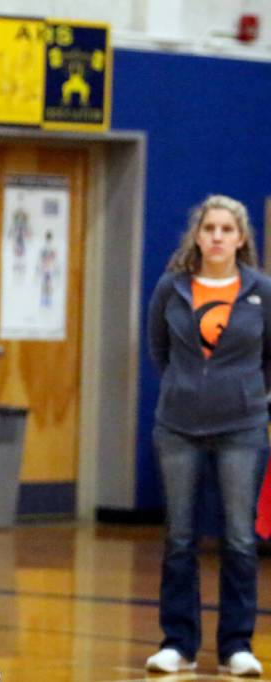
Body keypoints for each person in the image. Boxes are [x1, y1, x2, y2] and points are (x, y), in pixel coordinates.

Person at [145, 195, 271, 677]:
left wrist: (244, 395)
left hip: (242, 429)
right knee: (180, 538)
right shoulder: (171, 289)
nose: (217, 236)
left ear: (241, 238)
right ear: (197, 235)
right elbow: (160, 351)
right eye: (209, 228)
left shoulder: (260, 290)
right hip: (178, 428)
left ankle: (237, 645)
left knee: (239, 538)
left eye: (226, 229)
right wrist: (189, 389)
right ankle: (178, 644)